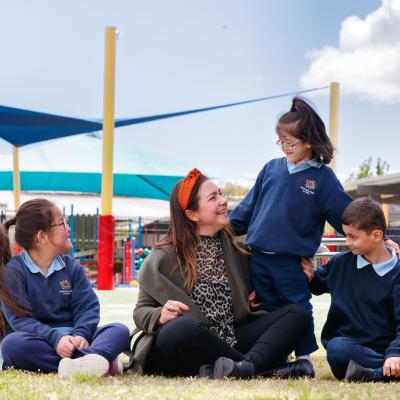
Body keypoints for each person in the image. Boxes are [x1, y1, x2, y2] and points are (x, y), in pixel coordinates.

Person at [132, 168, 311, 379]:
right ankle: (258, 368)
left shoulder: (239, 252)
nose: (223, 201)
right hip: (186, 343)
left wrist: (300, 274)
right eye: (213, 197)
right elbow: (140, 311)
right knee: (181, 328)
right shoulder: (164, 255)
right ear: (192, 214)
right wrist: (159, 315)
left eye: (221, 194)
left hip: (231, 337)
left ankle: (244, 369)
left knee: (297, 314)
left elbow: (269, 283)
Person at [0, 198, 130, 377]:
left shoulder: (71, 267)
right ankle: (97, 361)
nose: (68, 228)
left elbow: (87, 308)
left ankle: (83, 362)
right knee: (12, 344)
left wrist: (81, 334)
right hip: (41, 341)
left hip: (78, 340)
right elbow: (21, 322)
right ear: (42, 237)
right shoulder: (13, 272)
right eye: (61, 223)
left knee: (119, 330)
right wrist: (56, 339)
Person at [302, 197, 400, 381]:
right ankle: (385, 372)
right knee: (337, 350)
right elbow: (315, 285)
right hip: (349, 349)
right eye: (345, 235)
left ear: (377, 236)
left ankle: (378, 373)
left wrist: (395, 353)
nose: (347, 242)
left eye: (353, 237)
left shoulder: (397, 273)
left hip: (388, 349)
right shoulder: (340, 263)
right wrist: (307, 275)